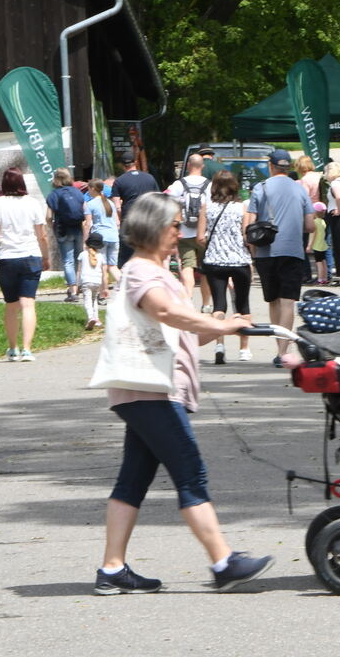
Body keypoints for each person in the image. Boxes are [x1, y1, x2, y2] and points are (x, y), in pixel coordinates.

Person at [94, 192, 272, 596]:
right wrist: (218, 327)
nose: (180, 232)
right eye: (175, 225)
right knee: (190, 472)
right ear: (154, 227)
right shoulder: (140, 270)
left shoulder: (163, 272)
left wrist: (225, 325)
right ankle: (224, 561)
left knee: (132, 481)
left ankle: (112, 570)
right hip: (151, 391)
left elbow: (183, 331)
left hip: (149, 390)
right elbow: (165, 313)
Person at [244, 149, 314, 368]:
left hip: (266, 251)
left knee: (273, 300)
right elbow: (311, 225)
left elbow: (251, 224)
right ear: (289, 167)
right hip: (292, 250)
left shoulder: (260, 188)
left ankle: (278, 347)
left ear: (271, 165)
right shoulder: (300, 189)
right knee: (288, 302)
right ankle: (284, 351)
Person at [0, 168, 51, 362]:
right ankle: (27, 349)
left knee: (11, 305)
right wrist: (45, 257)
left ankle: (13, 349)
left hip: (7, 258)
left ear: (4, 184)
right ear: (22, 183)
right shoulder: (32, 203)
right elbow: (42, 235)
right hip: (31, 256)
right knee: (28, 303)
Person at [198, 170, 253, 364]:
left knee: (219, 304)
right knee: (243, 304)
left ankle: (219, 344)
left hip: (215, 261)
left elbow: (200, 237)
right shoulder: (242, 207)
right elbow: (246, 236)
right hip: (239, 260)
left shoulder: (207, 207)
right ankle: (244, 348)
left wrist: (214, 246)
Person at [166, 155, 213, 313]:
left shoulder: (179, 184)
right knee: (206, 269)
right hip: (204, 234)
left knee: (187, 266)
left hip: (184, 233)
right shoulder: (209, 185)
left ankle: (188, 300)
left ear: (188, 166)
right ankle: (206, 304)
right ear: (203, 166)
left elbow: (167, 199)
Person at [47, 168, 89, 304]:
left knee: (68, 260)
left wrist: (52, 228)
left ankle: (72, 290)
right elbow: (85, 211)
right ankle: (81, 285)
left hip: (63, 229)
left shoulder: (53, 195)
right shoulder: (77, 192)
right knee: (79, 259)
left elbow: (48, 216)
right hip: (78, 229)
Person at [112, 151, 160, 266]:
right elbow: (158, 199)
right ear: (136, 162)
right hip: (148, 221)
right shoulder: (150, 178)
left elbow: (117, 207)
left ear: (122, 165)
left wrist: (120, 220)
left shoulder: (119, 181)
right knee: (149, 253)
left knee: (127, 256)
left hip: (129, 222)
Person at [86, 179, 121, 285]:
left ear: (92, 189)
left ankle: (103, 293)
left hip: (100, 237)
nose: (88, 192)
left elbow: (88, 224)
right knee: (113, 266)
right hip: (114, 236)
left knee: (103, 266)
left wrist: (86, 241)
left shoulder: (90, 204)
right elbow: (117, 222)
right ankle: (126, 287)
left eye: (88, 189)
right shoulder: (110, 203)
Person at [78, 232, 109, 331]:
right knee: (94, 300)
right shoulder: (101, 257)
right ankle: (97, 319)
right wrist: (105, 288)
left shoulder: (82, 255)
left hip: (86, 281)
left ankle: (91, 318)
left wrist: (77, 285)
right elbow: (105, 274)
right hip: (97, 282)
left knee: (87, 300)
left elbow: (79, 271)